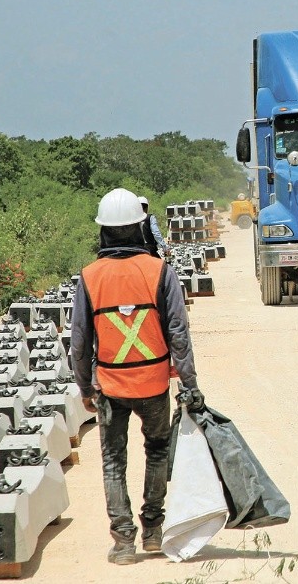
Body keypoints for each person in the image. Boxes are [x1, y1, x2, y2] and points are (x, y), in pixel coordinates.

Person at [70, 187, 205, 566]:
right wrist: (190, 384)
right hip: (154, 384)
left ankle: (123, 540)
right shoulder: (160, 271)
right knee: (157, 450)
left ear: (104, 232)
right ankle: (153, 530)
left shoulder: (90, 276)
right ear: (140, 227)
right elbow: (179, 332)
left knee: (114, 460)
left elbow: (79, 343)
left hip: (110, 388)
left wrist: (84, 386)